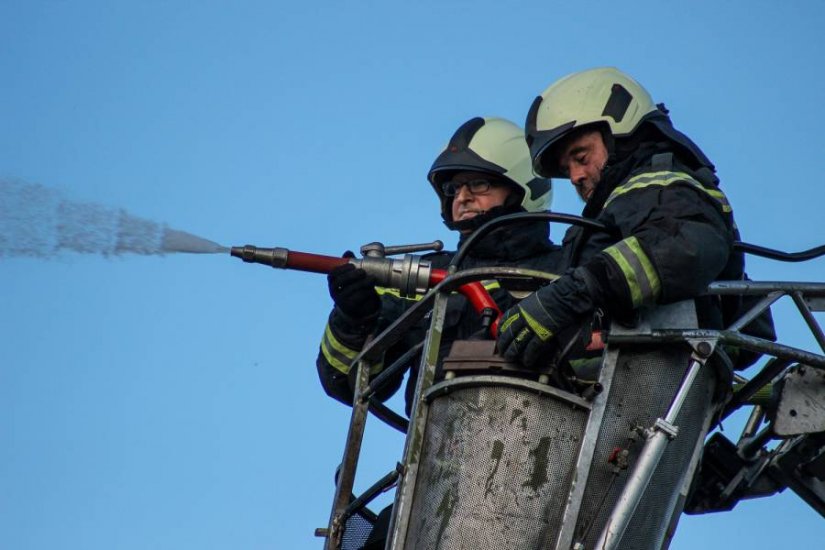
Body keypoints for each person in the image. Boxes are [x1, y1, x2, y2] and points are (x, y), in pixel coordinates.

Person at [497, 67, 748, 369]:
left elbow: (684, 248)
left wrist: (572, 293)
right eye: (567, 170)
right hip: (612, 393)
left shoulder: (662, 186)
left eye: (581, 157)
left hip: (649, 381)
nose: (575, 176)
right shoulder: (618, 207)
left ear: (619, 134)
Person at [316, 116, 561, 417]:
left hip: (555, 444)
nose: (462, 197)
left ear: (524, 188)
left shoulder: (566, 270)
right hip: (438, 453)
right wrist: (353, 318)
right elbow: (346, 383)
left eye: (478, 183)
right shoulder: (425, 278)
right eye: (453, 188)